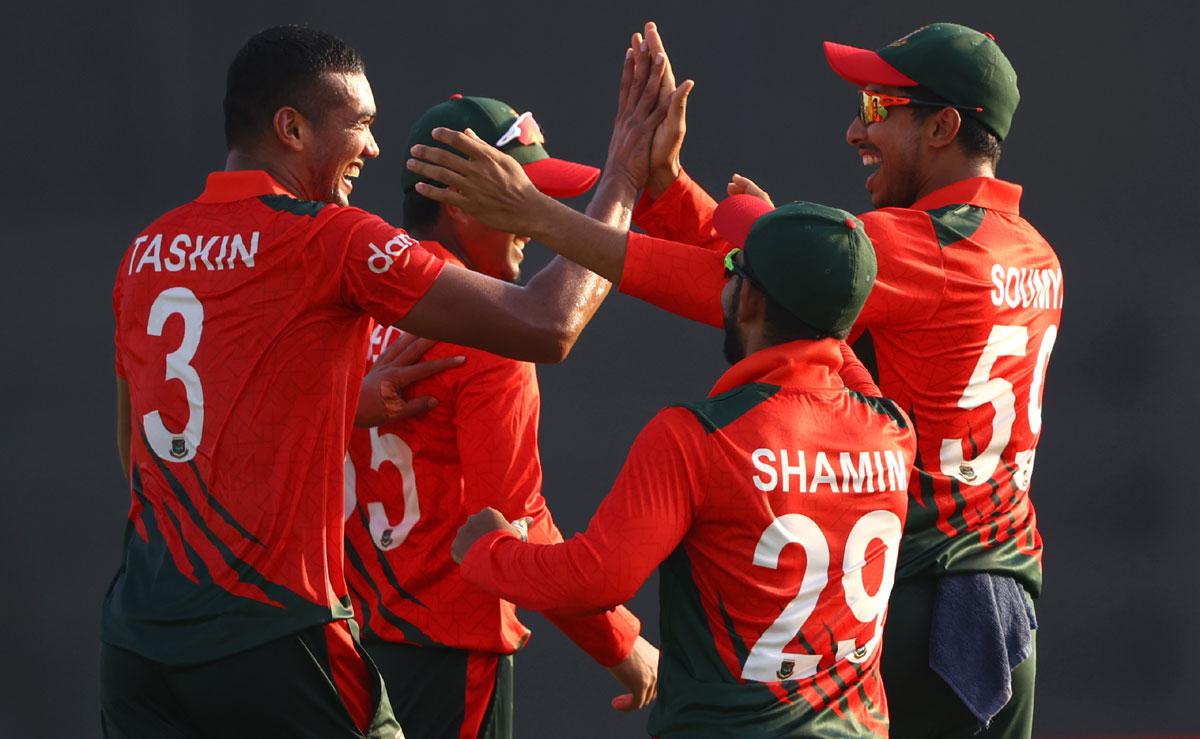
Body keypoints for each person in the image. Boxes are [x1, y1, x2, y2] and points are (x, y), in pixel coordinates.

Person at [410, 20, 1062, 739]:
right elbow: (794, 275)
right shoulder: (1034, 254)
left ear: (944, 125)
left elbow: (746, 283)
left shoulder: (917, 249)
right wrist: (675, 193)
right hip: (1000, 608)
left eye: (879, 108)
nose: (854, 130)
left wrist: (543, 215)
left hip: (907, 609)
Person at [102, 24, 667, 737]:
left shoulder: (146, 252)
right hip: (288, 633)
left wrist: (340, 409)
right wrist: (622, 179)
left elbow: (148, 446)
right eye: (360, 123)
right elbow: (549, 326)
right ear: (292, 128)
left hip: (141, 639)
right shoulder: (332, 240)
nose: (372, 145)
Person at [450, 198, 917, 737]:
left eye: (731, 271)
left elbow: (595, 579)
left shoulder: (696, 438)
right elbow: (832, 344)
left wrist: (489, 553)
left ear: (749, 299)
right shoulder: (893, 429)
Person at [343, 94, 657, 739]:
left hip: (326, 648)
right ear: (460, 201)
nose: (537, 220)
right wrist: (623, 646)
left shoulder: (340, 294)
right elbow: (510, 524)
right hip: (440, 652)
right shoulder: (486, 334)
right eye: (522, 197)